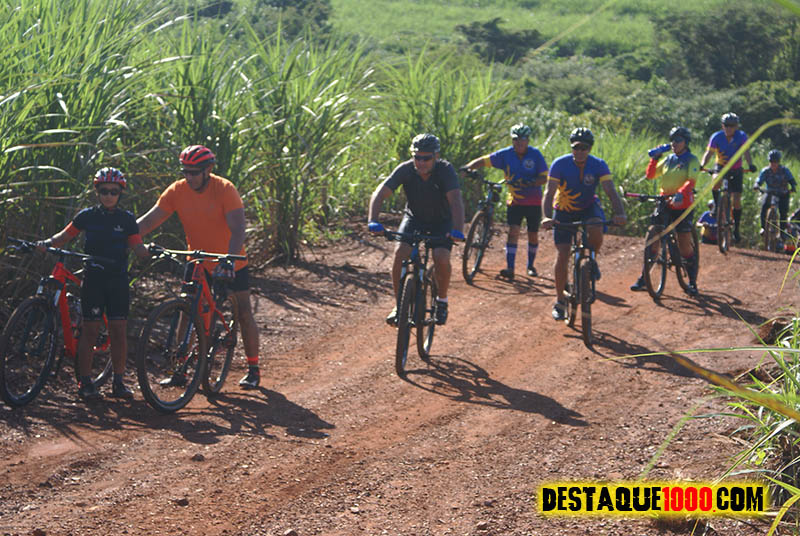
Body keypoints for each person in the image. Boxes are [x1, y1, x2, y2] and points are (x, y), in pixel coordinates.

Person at [137, 145, 262, 390]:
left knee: (243, 312)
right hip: (198, 260)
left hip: (230, 260)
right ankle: (180, 369)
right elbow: (149, 220)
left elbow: (238, 228)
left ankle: (253, 368)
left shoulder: (224, 189)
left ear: (208, 170)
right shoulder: (177, 190)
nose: (189, 177)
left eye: (194, 172)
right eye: (185, 171)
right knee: (188, 313)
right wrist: (126, 236)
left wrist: (229, 259)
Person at [36, 168, 150, 401]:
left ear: (120, 194)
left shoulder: (127, 219)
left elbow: (138, 247)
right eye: (104, 191)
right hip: (93, 280)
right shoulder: (87, 216)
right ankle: (85, 382)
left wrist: (149, 251)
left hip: (118, 281)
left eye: (114, 192)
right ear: (97, 192)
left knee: (118, 331)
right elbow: (64, 236)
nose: (109, 196)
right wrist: (46, 243)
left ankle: (118, 382)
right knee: (90, 330)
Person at [367, 133, 465, 326]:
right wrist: (373, 221)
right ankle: (399, 304)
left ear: (436, 156)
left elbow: (455, 201)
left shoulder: (445, 171)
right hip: (414, 218)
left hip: (441, 221)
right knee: (400, 253)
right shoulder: (405, 170)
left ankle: (442, 301)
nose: (421, 162)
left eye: (426, 158)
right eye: (417, 157)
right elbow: (379, 193)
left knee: (441, 257)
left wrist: (458, 230)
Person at [540, 128, 627, 321]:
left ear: (590, 149)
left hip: (588, 207)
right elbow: (549, 192)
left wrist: (620, 213)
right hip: (564, 208)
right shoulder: (559, 164)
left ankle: (592, 259)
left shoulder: (598, 164)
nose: (579, 151)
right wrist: (546, 217)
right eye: (576, 147)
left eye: (584, 148)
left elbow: (610, 191)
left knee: (596, 226)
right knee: (563, 254)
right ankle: (560, 301)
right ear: (571, 147)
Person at [462, 123, 549, 279]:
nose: (519, 142)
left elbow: (544, 177)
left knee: (532, 234)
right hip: (515, 201)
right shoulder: (506, 154)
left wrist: (531, 182)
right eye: (516, 139)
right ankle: (510, 268)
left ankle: (530, 265)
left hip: (534, 201)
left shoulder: (535, 155)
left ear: (528, 140)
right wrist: (469, 167)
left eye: (522, 139)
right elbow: (484, 160)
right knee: (513, 232)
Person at [630, 126, 701, 295]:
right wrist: (654, 159)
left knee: (684, 242)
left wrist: (680, 193)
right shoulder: (669, 159)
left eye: (678, 140)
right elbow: (651, 175)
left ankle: (692, 281)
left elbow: (691, 181)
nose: (674, 143)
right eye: (672, 140)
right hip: (665, 201)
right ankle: (644, 278)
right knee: (654, 237)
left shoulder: (692, 160)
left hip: (682, 204)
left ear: (686, 142)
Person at [699, 112, 757, 244]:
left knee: (736, 200)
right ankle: (716, 207)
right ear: (722, 126)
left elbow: (746, 152)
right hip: (720, 166)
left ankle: (736, 228)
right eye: (726, 125)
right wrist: (702, 164)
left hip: (736, 169)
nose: (729, 128)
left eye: (732, 126)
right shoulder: (716, 137)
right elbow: (709, 153)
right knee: (716, 180)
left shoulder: (741, 136)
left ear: (736, 126)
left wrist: (750, 164)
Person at [754, 149, 796, 242]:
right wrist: (756, 185)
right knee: (764, 207)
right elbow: (759, 180)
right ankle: (763, 227)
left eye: (775, 161)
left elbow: (791, 180)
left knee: (783, 212)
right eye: (771, 161)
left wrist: (793, 187)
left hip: (783, 193)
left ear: (778, 162)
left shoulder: (784, 170)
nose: (773, 164)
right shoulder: (765, 171)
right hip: (770, 192)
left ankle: (782, 232)